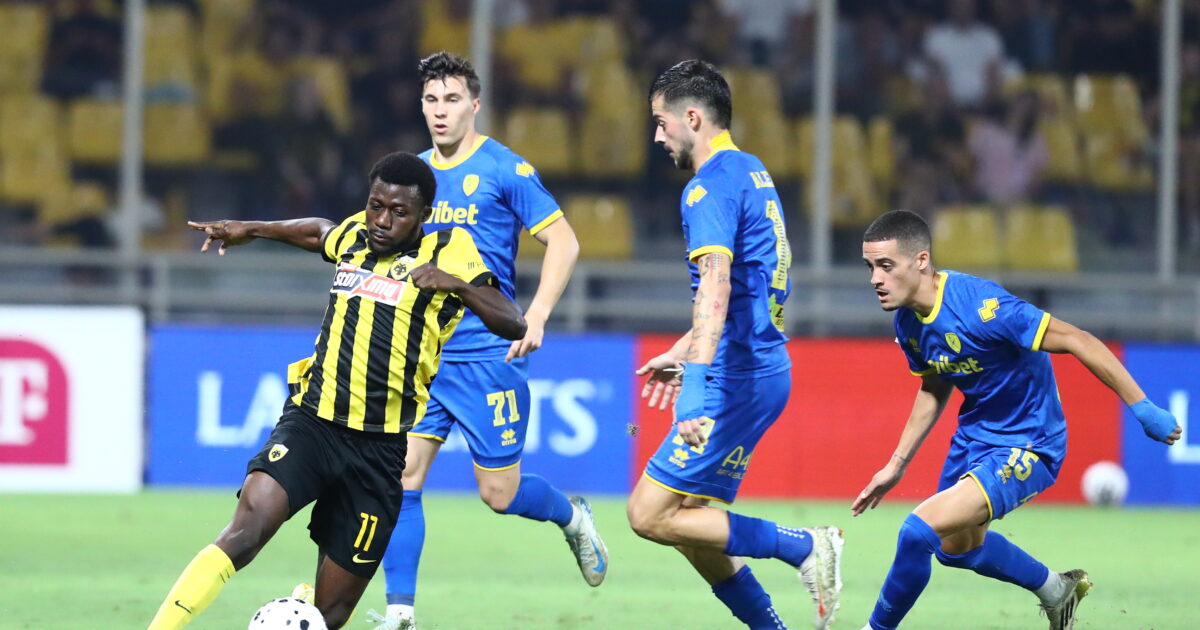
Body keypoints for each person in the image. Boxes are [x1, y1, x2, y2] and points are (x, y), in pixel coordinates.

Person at [145, 152, 527, 630]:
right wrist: (252, 228)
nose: (382, 220)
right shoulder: (356, 236)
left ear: (424, 214)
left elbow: (513, 323)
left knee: (330, 614)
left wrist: (456, 285)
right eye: (375, 206)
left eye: (399, 212)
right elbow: (318, 232)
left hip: (379, 450)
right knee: (246, 528)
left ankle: (303, 605)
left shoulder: (450, 249)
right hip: (312, 424)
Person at [854, 209, 1182, 630]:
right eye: (870, 267)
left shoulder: (983, 307)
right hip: (975, 438)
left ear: (921, 261)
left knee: (917, 532)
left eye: (886, 266)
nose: (875, 279)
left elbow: (1077, 339)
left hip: (1029, 441)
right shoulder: (908, 322)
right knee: (956, 549)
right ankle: (1057, 590)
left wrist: (1142, 407)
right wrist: (897, 464)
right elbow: (934, 386)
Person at [372, 52, 599, 630]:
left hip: (488, 355)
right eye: (431, 100)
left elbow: (565, 242)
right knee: (401, 477)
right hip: (425, 356)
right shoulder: (414, 177)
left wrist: (537, 315)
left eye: (451, 99)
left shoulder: (505, 170)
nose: (440, 111)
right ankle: (400, 613)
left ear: (474, 104)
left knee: (499, 493)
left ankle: (572, 518)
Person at [629, 59, 844, 630]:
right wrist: (683, 352)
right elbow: (751, 288)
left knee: (647, 514)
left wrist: (695, 387)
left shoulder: (707, 187)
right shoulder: (753, 171)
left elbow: (717, 284)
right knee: (690, 521)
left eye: (661, 122)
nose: (657, 136)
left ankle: (804, 545)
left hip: (738, 375)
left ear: (691, 118)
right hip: (760, 364)